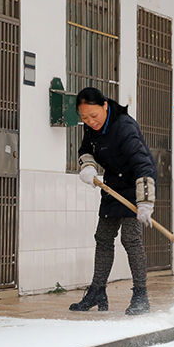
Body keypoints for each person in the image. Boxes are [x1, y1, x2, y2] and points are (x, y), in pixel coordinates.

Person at [69, 87, 157, 315]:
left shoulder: (124, 127)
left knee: (130, 239)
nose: (90, 122)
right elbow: (85, 149)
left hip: (134, 185)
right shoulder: (92, 129)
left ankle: (141, 296)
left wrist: (145, 200)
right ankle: (97, 291)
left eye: (94, 115)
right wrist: (88, 165)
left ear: (105, 106)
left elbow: (143, 163)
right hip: (112, 186)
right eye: (84, 118)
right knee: (103, 237)